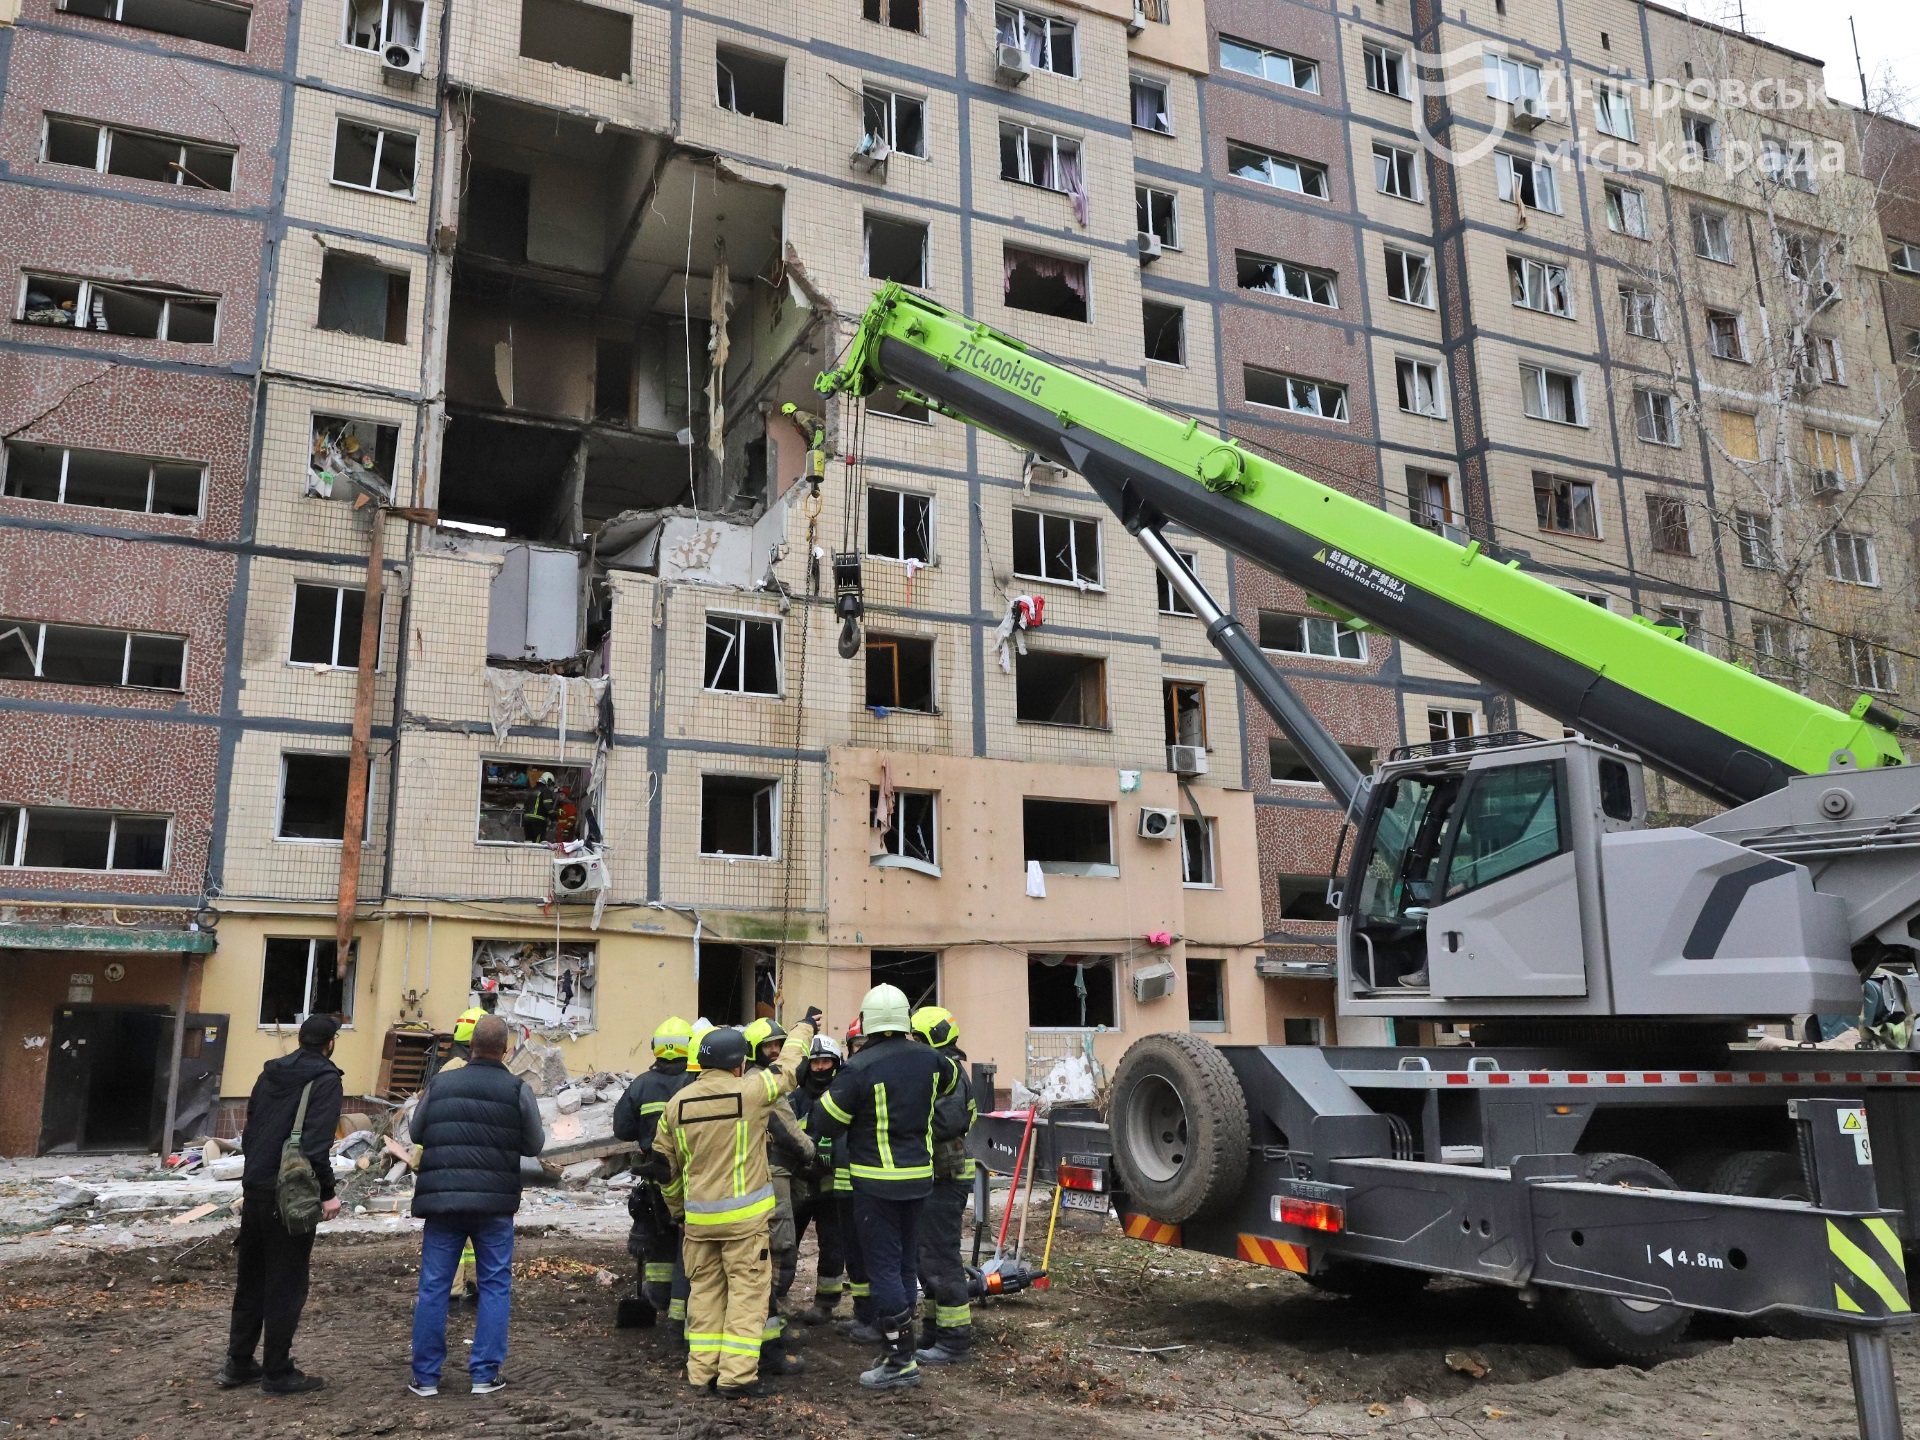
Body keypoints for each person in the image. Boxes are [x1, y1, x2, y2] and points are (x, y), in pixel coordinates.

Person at [657, 1012, 817, 1399]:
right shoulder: (752, 1090)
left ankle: (701, 1374)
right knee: (747, 1296)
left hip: (698, 1223)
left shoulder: (675, 1106)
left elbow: (666, 1170)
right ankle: (736, 1378)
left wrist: (679, 1211)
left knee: (705, 1296)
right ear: (739, 1063)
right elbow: (790, 1065)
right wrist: (804, 1027)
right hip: (745, 1224)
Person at [809, 985, 960, 1390]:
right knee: (906, 1265)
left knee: (883, 1271)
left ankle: (899, 1362)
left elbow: (823, 1123)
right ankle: (902, 1349)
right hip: (920, 1181)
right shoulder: (933, 1060)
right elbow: (949, 1086)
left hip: (875, 1184)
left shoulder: (860, 1068)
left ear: (869, 1023)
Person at [407, 1016, 545, 1398]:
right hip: (494, 1206)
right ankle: (484, 1374)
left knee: (434, 1286)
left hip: (442, 1202)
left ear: (470, 1046)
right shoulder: (517, 1088)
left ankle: (425, 1377)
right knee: (495, 1286)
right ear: (505, 1049)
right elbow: (534, 1145)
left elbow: (416, 1133)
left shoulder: (441, 1083)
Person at [222, 1013, 345, 1395]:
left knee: (252, 1281)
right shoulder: (325, 1081)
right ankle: (277, 1372)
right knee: (286, 1284)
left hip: (255, 1188)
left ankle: (239, 1363)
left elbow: (251, 1129)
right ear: (330, 1044)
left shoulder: (269, 1074)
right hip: (290, 1197)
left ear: (300, 1039)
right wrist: (327, 1193)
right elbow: (316, 1146)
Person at [611, 1016, 694, 1338]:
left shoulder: (642, 1084)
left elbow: (622, 1129)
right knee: (690, 1246)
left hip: (656, 1181)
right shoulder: (695, 1082)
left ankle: (659, 1299)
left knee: (660, 1243)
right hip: (691, 1180)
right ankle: (680, 1314)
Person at [742, 1018, 816, 1376]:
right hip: (774, 1173)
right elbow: (789, 1130)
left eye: (779, 1045)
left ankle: (770, 1329)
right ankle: (769, 1340)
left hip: (754, 1176)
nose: (776, 1051)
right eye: (770, 1045)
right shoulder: (764, 1084)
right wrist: (811, 1152)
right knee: (776, 1247)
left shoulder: (742, 1081)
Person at [911, 1007, 977, 1365]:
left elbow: (946, 1123)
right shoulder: (939, 1068)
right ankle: (934, 1332)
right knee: (926, 1256)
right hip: (934, 1176)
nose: (914, 1046)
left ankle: (954, 1342)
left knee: (940, 1255)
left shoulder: (949, 1073)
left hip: (946, 1177)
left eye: (918, 1039)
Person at [789, 1034, 847, 1325]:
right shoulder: (796, 1098)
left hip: (832, 1185)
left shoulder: (843, 1094)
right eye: (815, 1062)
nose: (820, 1068)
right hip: (798, 1183)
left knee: (833, 1244)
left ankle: (826, 1303)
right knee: (787, 1242)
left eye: (825, 1062)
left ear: (836, 1064)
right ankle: (778, 1298)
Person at [522, 772, 560, 843]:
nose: (551, 787)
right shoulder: (545, 790)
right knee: (537, 842)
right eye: (551, 784)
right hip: (538, 820)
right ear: (548, 781)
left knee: (528, 841)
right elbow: (548, 806)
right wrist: (554, 816)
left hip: (526, 820)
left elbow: (526, 804)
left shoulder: (532, 790)